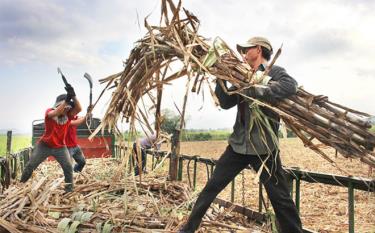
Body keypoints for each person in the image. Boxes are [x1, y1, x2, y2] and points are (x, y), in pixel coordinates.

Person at [179, 37, 303, 233]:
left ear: (259, 50)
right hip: (238, 145)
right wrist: (221, 78)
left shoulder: (274, 72)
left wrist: (256, 88)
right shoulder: (241, 74)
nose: (244, 53)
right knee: (211, 188)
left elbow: (291, 86)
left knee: (280, 198)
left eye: (247, 49)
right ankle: (187, 230)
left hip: (264, 148)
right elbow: (227, 103)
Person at [20, 85, 82, 192]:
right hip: (44, 145)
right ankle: (20, 185)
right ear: (58, 105)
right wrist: (67, 99)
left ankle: (69, 190)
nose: (66, 109)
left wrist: (74, 96)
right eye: (65, 106)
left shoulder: (69, 115)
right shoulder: (50, 111)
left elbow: (79, 109)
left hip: (61, 148)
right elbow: (56, 112)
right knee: (31, 165)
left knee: (68, 167)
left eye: (68, 107)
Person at [65, 106, 93, 173]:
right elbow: (78, 122)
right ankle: (70, 179)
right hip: (66, 148)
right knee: (68, 167)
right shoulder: (64, 119)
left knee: (82, 162)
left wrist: (88, 112)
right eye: (74, 110)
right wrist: (87, 116)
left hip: (75, 146)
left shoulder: (74, 117)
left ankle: (76, 172)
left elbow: (83, 118)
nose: (75, 112)